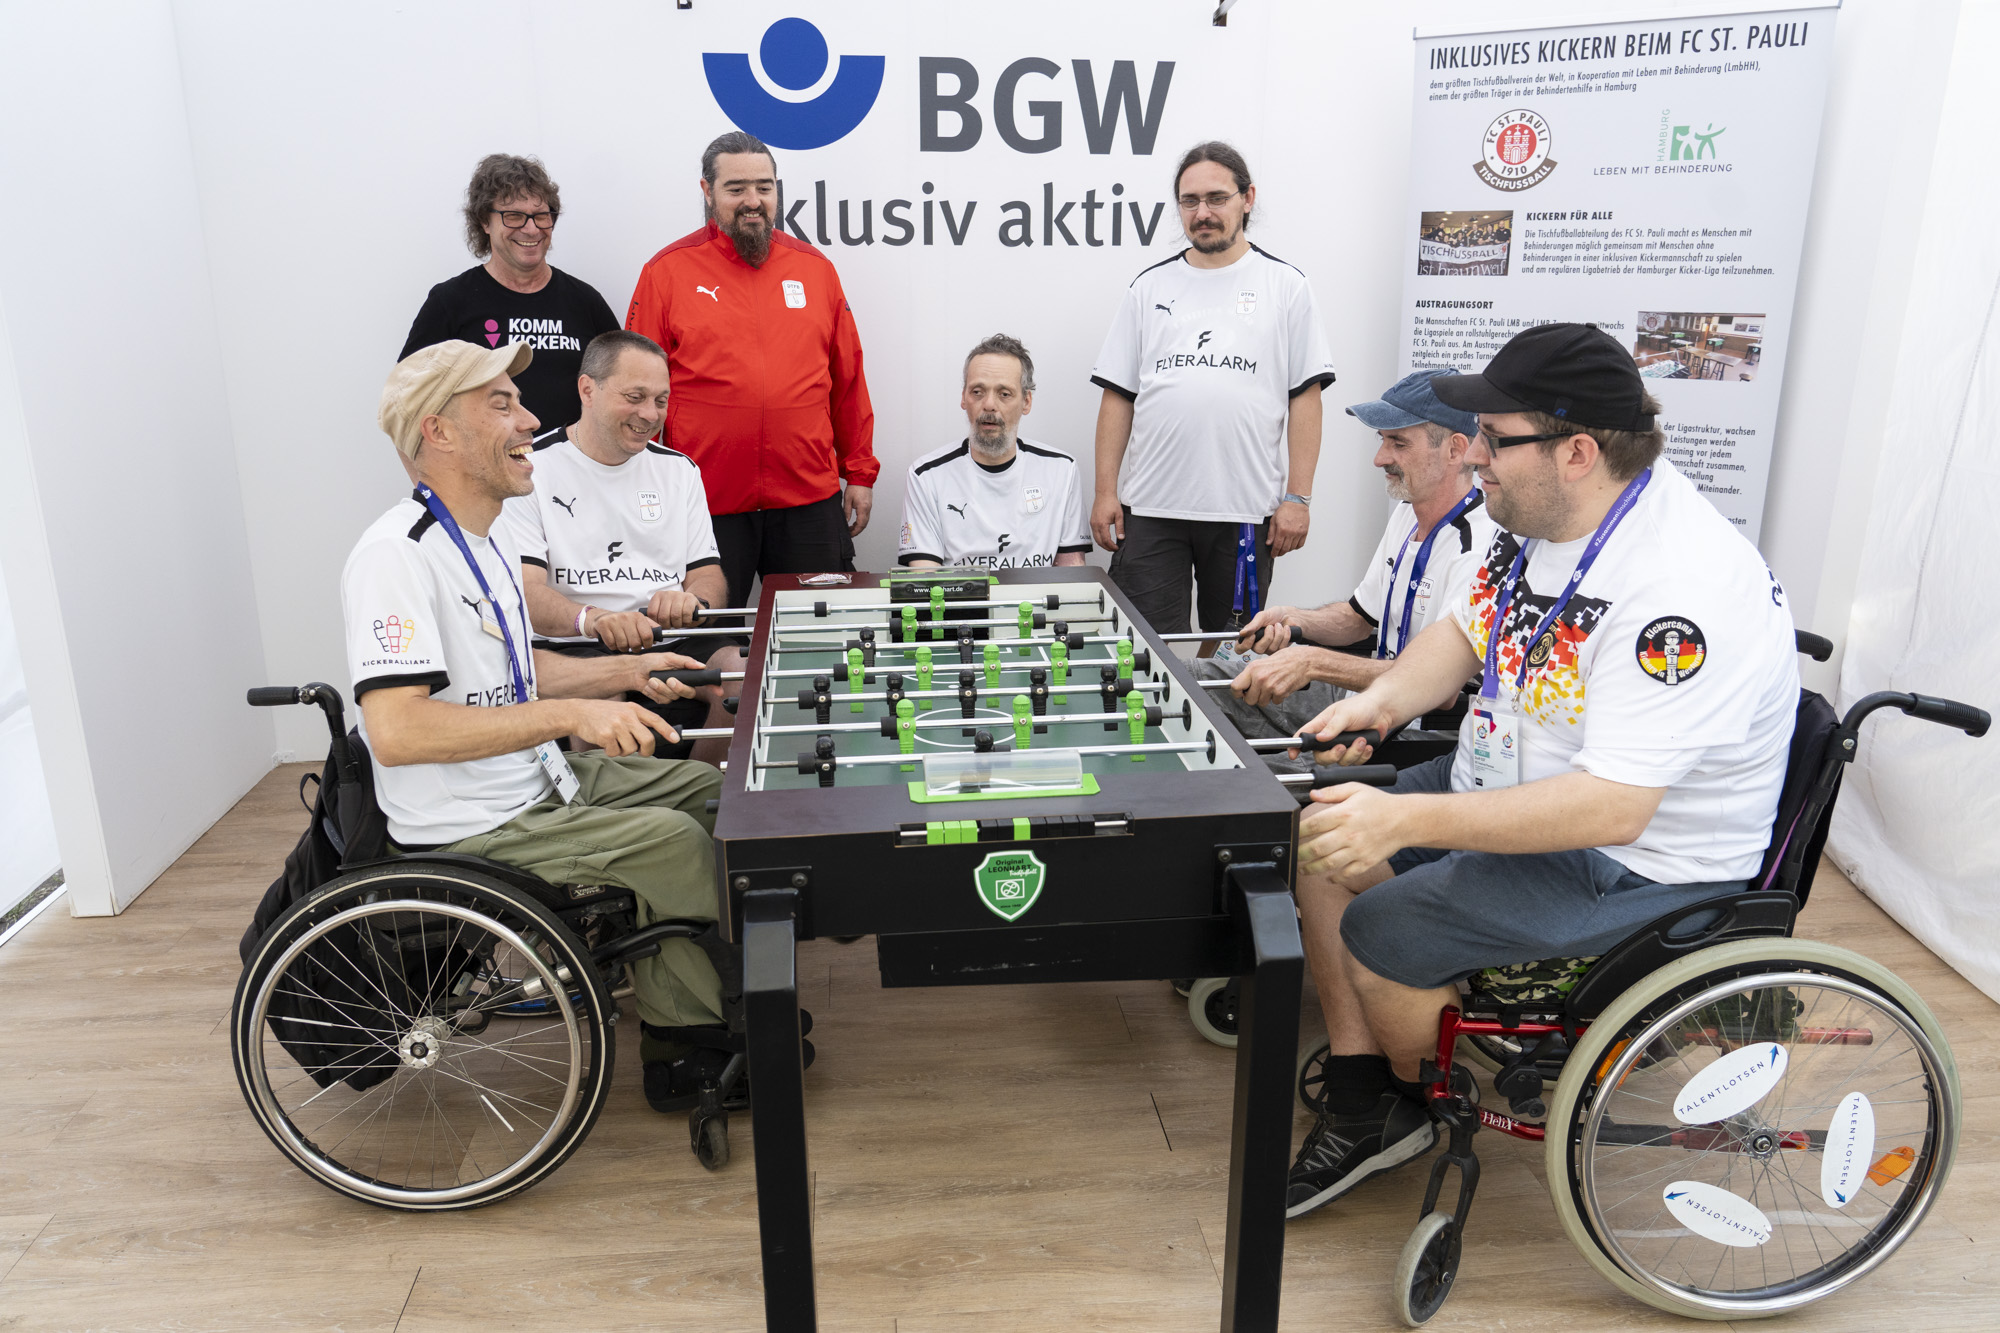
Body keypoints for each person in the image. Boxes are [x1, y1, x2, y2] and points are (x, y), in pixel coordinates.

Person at [1279, 323, 1797, 1219]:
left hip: (1630, 861)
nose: (1471, 454)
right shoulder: (1533, 517)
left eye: (1493, 438)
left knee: (1382, 931)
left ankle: (1429, 1098)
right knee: (1321, 832)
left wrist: (1404, 822)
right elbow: (1464, 633)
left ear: (1578, 451)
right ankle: (1373, 1096)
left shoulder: (1681, 584)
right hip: (1507, 777)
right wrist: (1384, 701)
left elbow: (1616, 806)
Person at [350, 339, 761, 1115]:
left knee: (707, 790)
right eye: (501, 404)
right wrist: (574, 714)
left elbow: (513, 673)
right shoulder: (394, 560)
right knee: (671, 840)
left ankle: (707, 980)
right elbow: (397, 730)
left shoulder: (484, 539)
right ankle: (686, 1052)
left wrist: (625, 674)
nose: (529, 419)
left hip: (534, 777)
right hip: (476, 818)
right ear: (437, 432)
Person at [1089, 141, 1335, 635]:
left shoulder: (1285, 286)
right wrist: (1104, 492)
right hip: (1153, 508)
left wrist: (1299, 499)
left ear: (1248, 198)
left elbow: (1304, 397)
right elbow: (1118, 395)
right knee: (1142, 648)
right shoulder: (1149, 287)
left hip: (1245, 512)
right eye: (1189, 201)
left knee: (1231, 649)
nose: (1202, 213)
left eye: (1217, 198)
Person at [625, 130, 879, 610]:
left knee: (824, 634)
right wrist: (640, 484)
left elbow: (847, 380)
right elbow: (635, 389)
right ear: (707, 191)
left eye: (764, 187)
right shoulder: (667, 272)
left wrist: (860, 472)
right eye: (736, 188)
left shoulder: (814, 269)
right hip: (707, 502)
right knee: (706, 646)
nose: (753, 201)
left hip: (807, 498)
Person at [1198, 370, 1494, 766]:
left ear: (1457, 450)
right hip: (1359, 699)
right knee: (1195, 676)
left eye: (1398, 443)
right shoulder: (1406, 514)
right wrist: (1293, 618)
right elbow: (1358, 618)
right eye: (1382, 441)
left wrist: (1311, 662)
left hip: (1405, 731)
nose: (1380, 458)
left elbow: (1440, 690)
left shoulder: (1481, 548)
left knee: (1244, 778)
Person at [504, 330, 742, 766]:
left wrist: (694, 600)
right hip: (574, 642)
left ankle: (703, 802)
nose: (649, 414)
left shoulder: (679, 469)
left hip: (669, 637)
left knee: (742, 673)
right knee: (601, 686)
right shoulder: (530, 467)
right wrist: (595, 620)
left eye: (661, 401)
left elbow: (708, 574)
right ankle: (611, 821)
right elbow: (526, 592)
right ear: (587, 389)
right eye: (635, 396)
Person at [400, 154, 620, 434]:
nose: (531, 229)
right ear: (484, 222)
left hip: (574, 475)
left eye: (542, 216)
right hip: (484, 475)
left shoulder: (585, 302)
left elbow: (620, 390)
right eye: (514, 216)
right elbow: (403, 403)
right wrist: (427, 478)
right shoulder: (450, 302)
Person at [898, 334, 1090, 571]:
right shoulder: (925, 476)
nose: (989, 405)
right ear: (963, 398)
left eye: (1004, 394)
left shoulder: (1062, 470)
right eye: (977, 391)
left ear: (1026, 401)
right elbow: (927, 580)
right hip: (960, 607)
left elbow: (1072, 575)